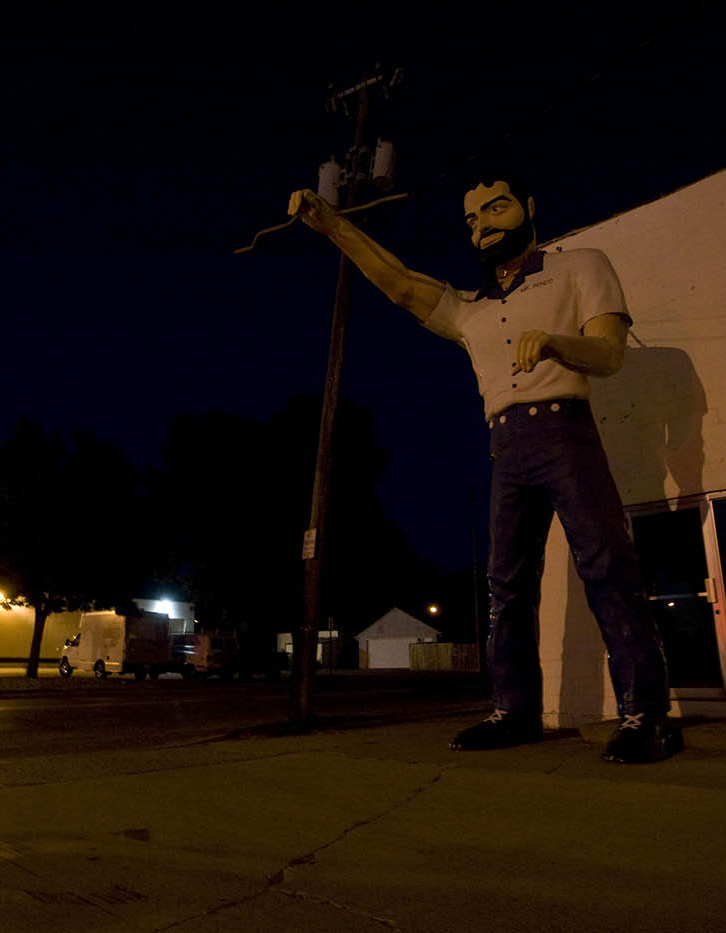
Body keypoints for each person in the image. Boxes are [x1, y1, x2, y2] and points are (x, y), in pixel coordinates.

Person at [287, 172, 682, 763]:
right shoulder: (471, 308)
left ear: (528, 207)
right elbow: (398, 285)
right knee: (506, 585)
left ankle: (646, 713)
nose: (482, 224)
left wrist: (554, 343)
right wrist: (334, 227)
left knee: (606, 565)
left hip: (565, 431)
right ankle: (513, 710)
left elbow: (609, 353)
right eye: (471, 219)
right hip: (505, 446)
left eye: (495, 209)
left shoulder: (579, 265)